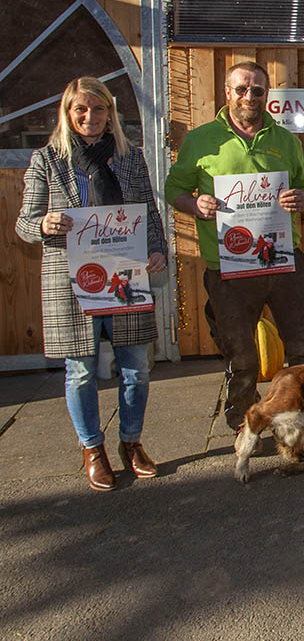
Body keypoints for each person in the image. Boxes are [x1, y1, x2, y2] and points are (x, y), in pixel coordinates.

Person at [15, 77, 168, 491]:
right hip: (70, 278)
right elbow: (23, 223)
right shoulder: (47, 160)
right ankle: (92, 447)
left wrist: (158, 249)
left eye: (98, 109)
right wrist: (44, 223)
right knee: (80, 371)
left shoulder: (130, 157)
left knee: (135, 368)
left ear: (110, 113)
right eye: (80, 109)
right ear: (67, 113)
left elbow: (148, 212)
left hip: (123, 272)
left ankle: (131, 442)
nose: (89, 117)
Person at [164, 61, 304, 432]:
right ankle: (243, 418)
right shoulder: (201, 140)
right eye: (241, 89)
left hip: (283, 260)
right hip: (228, 265)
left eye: (257, 90)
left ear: (266, 94)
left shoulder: (285, 141)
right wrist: (195, 205)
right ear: (227, 92)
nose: (249, 96)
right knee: (243, 355)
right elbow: (174, 190)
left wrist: (303, 198)